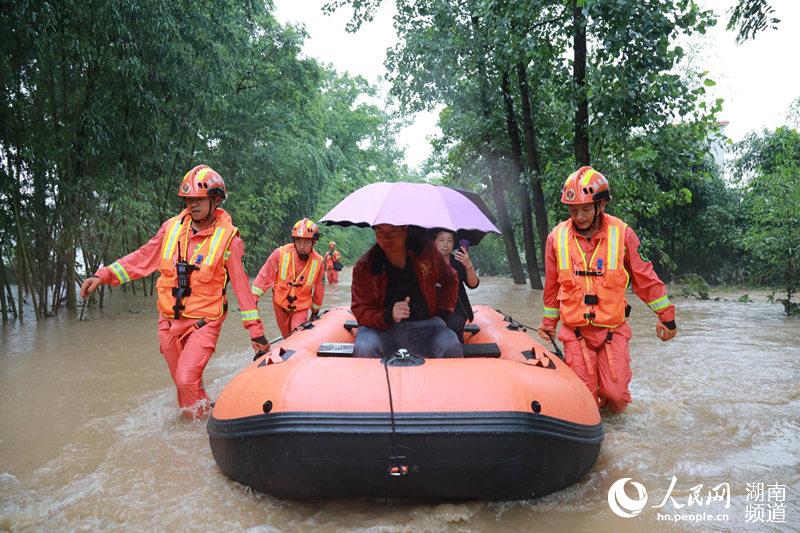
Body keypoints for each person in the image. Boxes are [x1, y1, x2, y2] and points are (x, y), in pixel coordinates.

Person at [79, 165, 269, 419]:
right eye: (189, 200)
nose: (193, 205)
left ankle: (191, 437)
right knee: (186, 383)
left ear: (215, 200)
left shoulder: (229, 240)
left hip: (204, 322)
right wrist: (103, 275)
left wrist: (256, 333)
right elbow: (143, 258)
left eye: (199, 200)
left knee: (185, 379)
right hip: (168, 322)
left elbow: (242, 289)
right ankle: (203, 418)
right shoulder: (171, 228)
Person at [537, 166, 677, 414]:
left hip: (612, 331)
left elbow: (644, 277)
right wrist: (549, 322)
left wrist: (667, 318)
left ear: (601, 205)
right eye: (573, 209)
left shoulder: (622, 233)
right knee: (584, 401)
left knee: (616, 397)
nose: (578, 216)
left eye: (586, 209)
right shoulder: (555, 238)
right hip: (575, 332)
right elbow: (551, 286)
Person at [351, 224, 463, 358]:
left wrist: (442, 315)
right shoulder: (364, 266)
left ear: (404, 230)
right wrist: (388, 315)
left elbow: (450, 279)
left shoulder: (426, 251)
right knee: (365, 347)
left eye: (393, 232)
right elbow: (360, 309)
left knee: (450, 344)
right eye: (380, 232)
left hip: (426, 328)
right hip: (380, 330)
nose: (386, 238)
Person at [251, 218, 325, 338]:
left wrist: (315, 310)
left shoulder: (318, 262)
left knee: (296, 338)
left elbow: (319, 288)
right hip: (280, 303)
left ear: (314, 242)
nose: (301, 246)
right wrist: (253, 298)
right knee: (286, 336)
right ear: (293, 240)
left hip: (301, 306)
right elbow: (265, 276)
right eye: (298, 241)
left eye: (306, 242)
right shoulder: (280, 253)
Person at [433, 230, 479, 342]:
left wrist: (468, 265)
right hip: (432, 308)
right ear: (434, 242)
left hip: (456, 309)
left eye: (449, 240)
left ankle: (457, 352)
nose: (445, 244)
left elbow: (473, 284)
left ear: (454, 243)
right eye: (441, 240)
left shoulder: (458, 262)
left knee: (453, 324)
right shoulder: (426, 262)